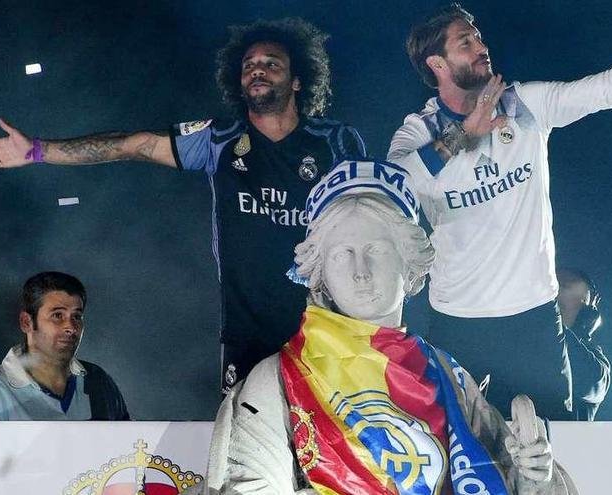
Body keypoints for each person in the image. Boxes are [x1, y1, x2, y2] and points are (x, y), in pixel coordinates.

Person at [0, 18, 366, 391]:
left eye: (271, 63)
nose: (257, 70)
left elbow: (367, 226)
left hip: (325, 327)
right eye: (249, 65)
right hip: (248, 337)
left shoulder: (335, 142)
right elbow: (135, 144)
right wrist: (38, 151)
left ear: (298, 80)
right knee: (250, 453)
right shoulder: (219, 139)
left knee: (326, 453)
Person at [387, 3, 612, 419]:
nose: (481, 47)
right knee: (449, 453)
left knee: (550, 457)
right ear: (437, 63)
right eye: (465, 42)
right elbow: (395, 182)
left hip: (535, 321)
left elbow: (603, 90)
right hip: (458, 321)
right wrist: (464, 135)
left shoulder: (525, 104)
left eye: (479, 37)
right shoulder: (419, 131)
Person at [206, 160, 578, 495]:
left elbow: (514, 486)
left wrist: (536, 478)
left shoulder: (450, 378)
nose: (360, 271)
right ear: (320, 274)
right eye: (342, 254)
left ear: (410, 264)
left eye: (377, 250)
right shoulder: (280, 378)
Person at [0, 272, 129, 420]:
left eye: (77, 316)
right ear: (27, 322)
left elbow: (127, 450)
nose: (70, 326)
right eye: (57, 315)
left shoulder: (99, 383)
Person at [557, 269, 611, 421]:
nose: (556, 291)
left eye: (565, 286)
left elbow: (589, 381)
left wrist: (551, 321)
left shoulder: (597, 361)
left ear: (587, 314)